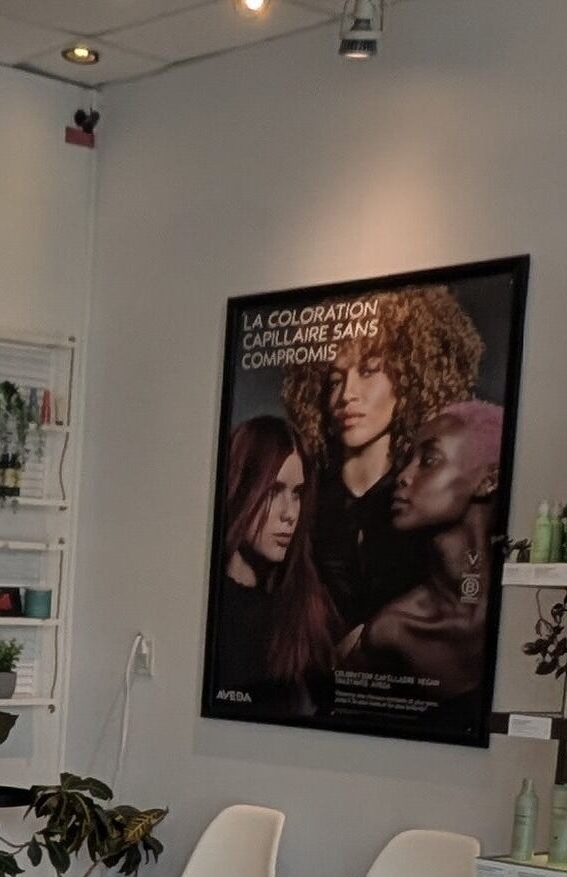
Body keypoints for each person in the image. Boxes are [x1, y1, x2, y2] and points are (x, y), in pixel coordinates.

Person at [281, 287, 483, 634]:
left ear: (409, 379)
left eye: (369, 371)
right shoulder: (304, 494)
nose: (346, 395)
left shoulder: (427, 500)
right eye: (334, 380)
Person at [337, 399, 503, 726]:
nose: (403, 476)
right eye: (407, 460)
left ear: (489, 481)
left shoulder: (523, 608)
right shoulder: (393, 628)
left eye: (428, 460)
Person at [208, 416, 338, 718]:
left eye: (297, 494)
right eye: (273, 491)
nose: (289, 513)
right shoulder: (208, 606)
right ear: (241, 488)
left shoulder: (308, 607)